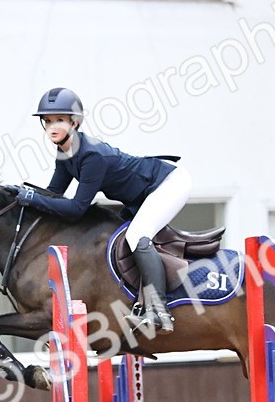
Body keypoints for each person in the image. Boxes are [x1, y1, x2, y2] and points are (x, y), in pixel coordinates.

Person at [14, 87, 191, 333]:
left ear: (74, 123)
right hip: (142, 194)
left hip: (169, 183)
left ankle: (159, 310)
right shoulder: (65, 152)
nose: (52, 126)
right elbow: (53, 193)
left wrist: (33, 199)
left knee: (137, 235)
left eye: (59, 120)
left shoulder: (91, 156)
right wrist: (18, 194)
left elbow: (76, 208)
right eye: (48, 121)